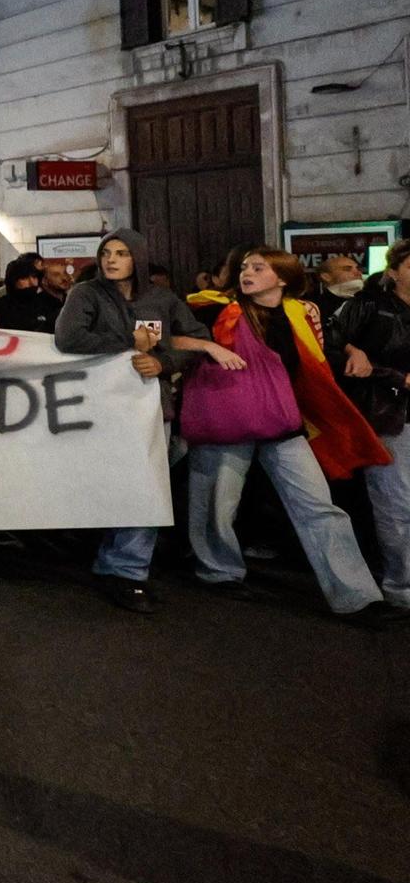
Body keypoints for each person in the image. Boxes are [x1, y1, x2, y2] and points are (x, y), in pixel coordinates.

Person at [174, 247, 395, 622]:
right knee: (215, 505)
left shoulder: (302, 312)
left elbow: (330, 348)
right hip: (228, 420)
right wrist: (208, 345)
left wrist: (354, 349)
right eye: (245, 267)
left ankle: (357, 596)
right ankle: (219, 571)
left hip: (282, 422)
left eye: (259, 268)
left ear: (282, 278)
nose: (247, 273)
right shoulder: (211, 308)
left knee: (319, 507)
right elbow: (171, 338)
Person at [53, 230, 210, 612]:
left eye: (121, 253)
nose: (111, 260)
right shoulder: (86, 294)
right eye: (106, 252)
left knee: (149, 486)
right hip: (99, 408)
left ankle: (128, 570)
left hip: (153, 407)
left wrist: (163, 362)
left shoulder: (162, 299)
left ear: (137, 259)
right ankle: (108, 555)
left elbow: (194, 340)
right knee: (112, 484)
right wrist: (130, 347)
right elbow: (68, 338)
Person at [326, 239, 410, 609]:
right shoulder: (369, 305)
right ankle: (400, 587)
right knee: (396, 503)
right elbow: (329, 339)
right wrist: (359, 354)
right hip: (389, 414)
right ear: (394, 272)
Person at [0, 253, 60, 333]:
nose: (32, 283)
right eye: (25, 278)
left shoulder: (52, 303)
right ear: (13, 281)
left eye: (34, 277)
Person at [314, 253, 365, 323]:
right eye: (347, 269)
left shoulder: (372, 303)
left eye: (357, 268)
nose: (358, 273)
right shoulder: (315, 309)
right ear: (326, 277)